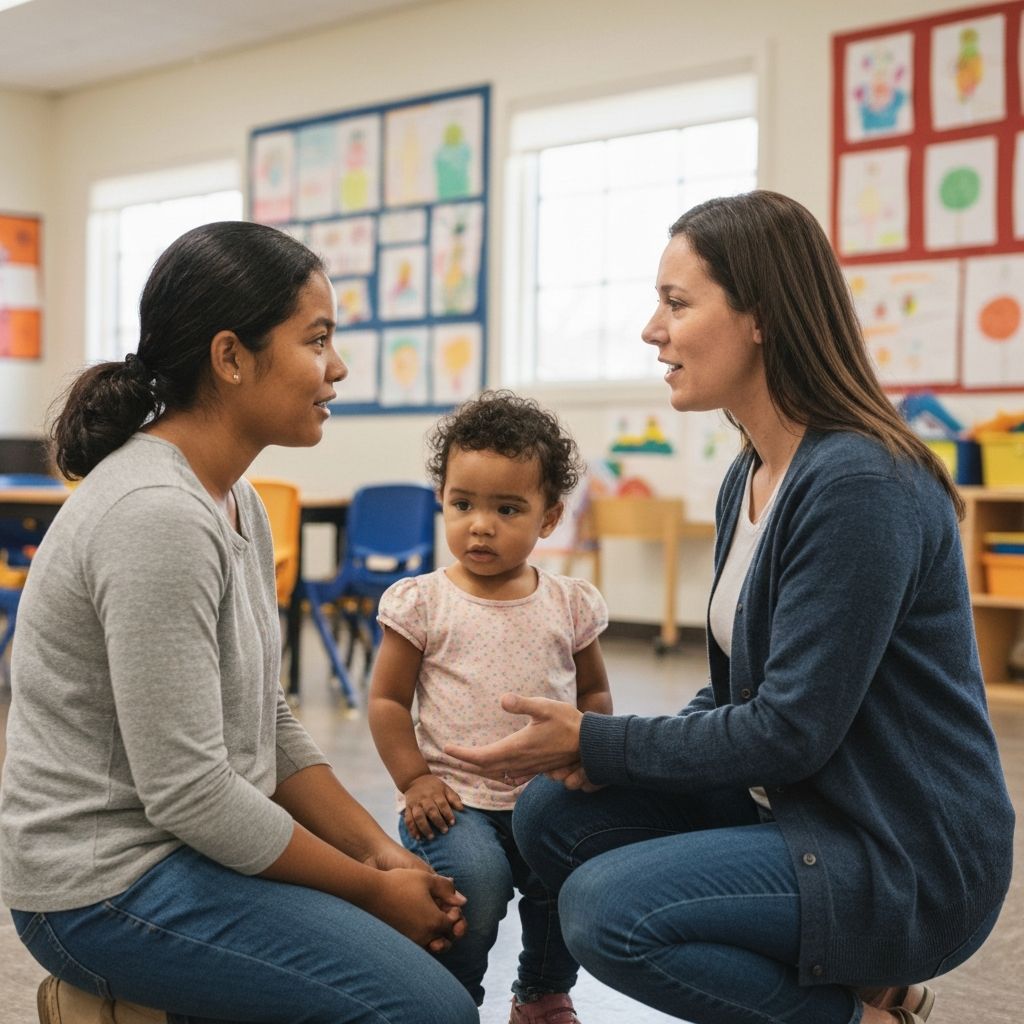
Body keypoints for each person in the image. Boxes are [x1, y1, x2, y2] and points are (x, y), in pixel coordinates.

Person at [445, 191, 1016, 1024]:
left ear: (760, 317)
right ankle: (869, 984)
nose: (652, 329)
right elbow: (738, 694)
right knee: (552, 814)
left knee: (609, 910)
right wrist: (597, 754)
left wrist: (603, 740)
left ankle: (860, 1016)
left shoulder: (858, 484)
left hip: (902, 854)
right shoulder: (748, 477)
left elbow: (789, 730)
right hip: (801, 808)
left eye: (677, 303)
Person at [0, 221, 478, 1024]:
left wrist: (384, 856)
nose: (338, 367)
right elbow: (190, 792)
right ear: (230, 357)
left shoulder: (238, 502)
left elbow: (270, 723)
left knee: (436, 950)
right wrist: (369, 890)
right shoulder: (156, 515)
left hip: (184, 848)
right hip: (100, 887)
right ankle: (110, 1005)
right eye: (316, 339)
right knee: (426, 1009)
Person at [368, 390, 612, 1024]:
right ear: (442, 501)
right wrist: (413, 778)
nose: (481, 524)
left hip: (548, 793)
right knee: (472, 887)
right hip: (450, 799)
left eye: (508, 509)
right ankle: (450, 1001)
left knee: (568, 885)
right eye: (463, 504)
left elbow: (593, 694)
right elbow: (387, 701)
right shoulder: (421, 602)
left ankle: (542, 993)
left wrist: (596, 752)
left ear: (549, 517)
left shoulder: (570, 603)